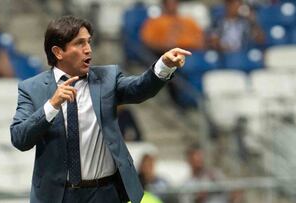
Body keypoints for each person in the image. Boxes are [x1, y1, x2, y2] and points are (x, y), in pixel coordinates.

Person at [10, 15, 191, 203]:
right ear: (58, 52)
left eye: (88, 42)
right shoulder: (31, 89)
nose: (88, 49)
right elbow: (19, 138)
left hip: (105, 193)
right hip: (59, 196)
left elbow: (140, 89)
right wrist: (51, 106)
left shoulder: (108, 78)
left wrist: (163, 66)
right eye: (79, 43)